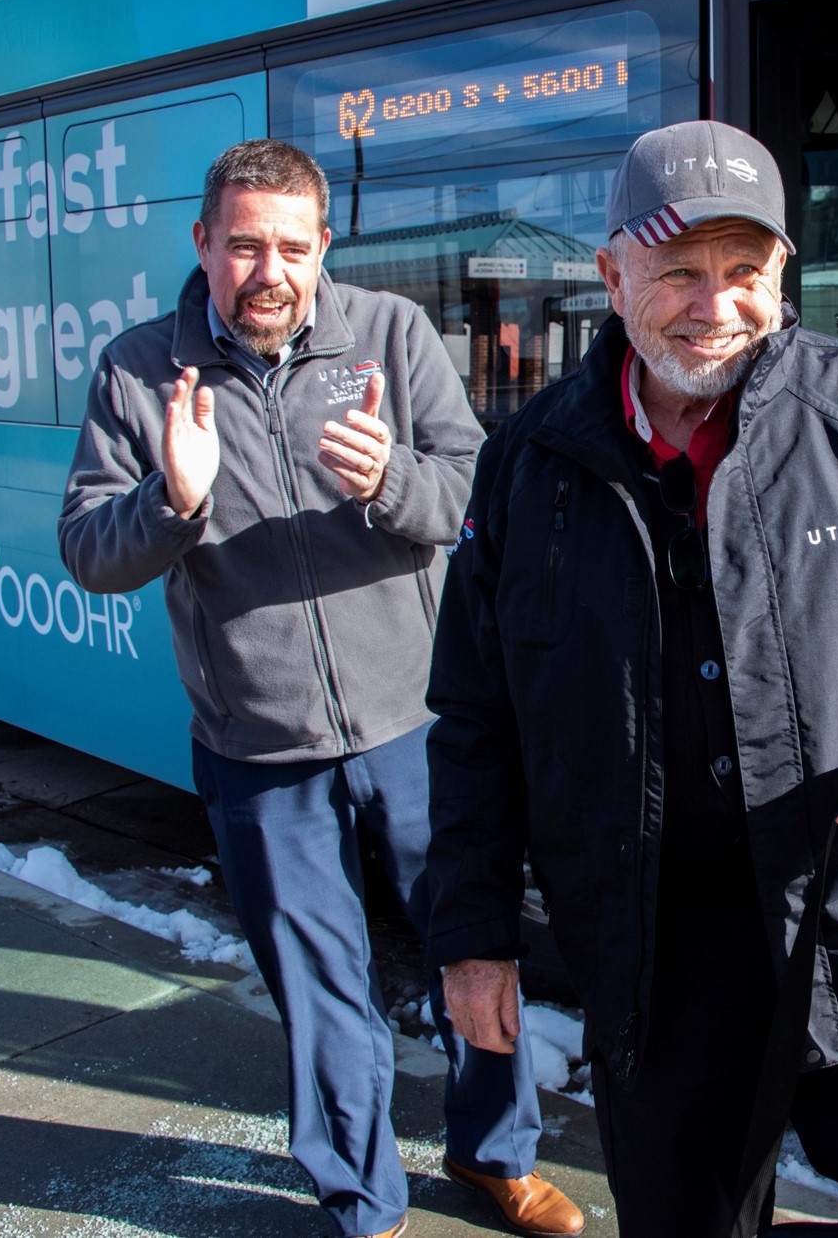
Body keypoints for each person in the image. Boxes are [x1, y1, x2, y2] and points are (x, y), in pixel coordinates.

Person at [425, 120, 838, 1235]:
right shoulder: (527, 465)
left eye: (742, 270)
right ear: (614, 274)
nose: (713, 303)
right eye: (677, 271)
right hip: (652, 957)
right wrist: (474, 933)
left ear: (781, 274)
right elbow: (477, 718)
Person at [59, 139, 583, 1238]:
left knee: (473, 954)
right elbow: (90, 550)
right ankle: (362, 1197)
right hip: (257, 745)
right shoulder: (139, 369)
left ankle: (495, 1154)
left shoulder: (388, 334)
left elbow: (474, 493)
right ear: (203, 243)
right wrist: (172, 497)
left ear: (322, 248)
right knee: (320, 992)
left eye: (291, 246)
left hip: (419, 728)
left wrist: (389, 477)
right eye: (243, 244)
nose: (269, 270)